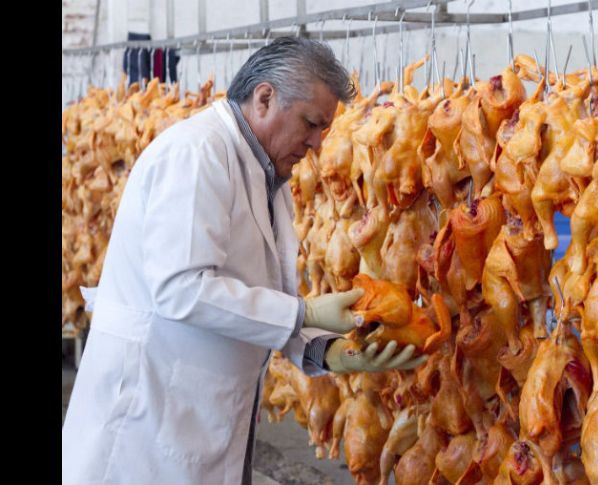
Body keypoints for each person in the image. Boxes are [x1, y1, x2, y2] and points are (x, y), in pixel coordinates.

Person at [62, 37, 427, 485]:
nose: (316, 144)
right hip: (147, 415)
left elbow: (255, 292)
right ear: (265, 98)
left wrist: (323, 349)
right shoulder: (197, 155)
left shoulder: (265, 173)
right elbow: (182, 289)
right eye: (311, 124)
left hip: (199, 411)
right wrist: (304, 313)